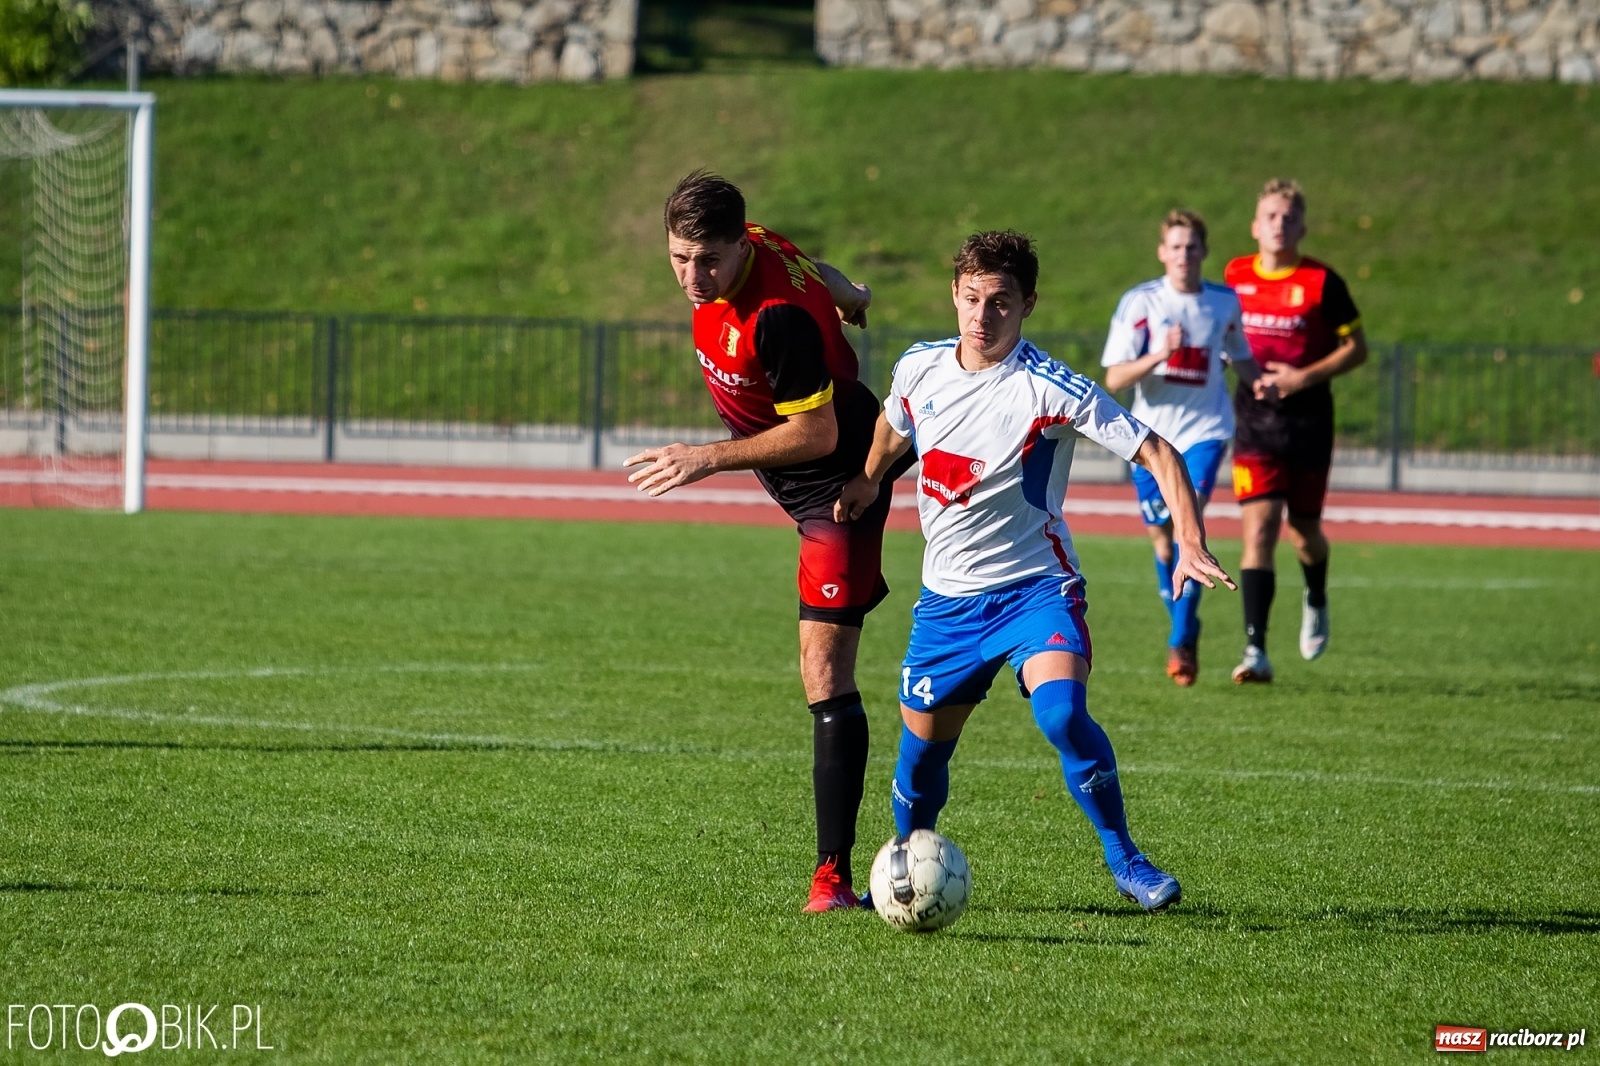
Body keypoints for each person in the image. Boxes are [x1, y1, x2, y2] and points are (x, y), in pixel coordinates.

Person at [836, 231, 1234, 912]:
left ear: (1027, 307)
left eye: (1000, 303)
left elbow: (1160, 453)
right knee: (922, 757)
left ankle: (1127, 860)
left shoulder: (1049, 388)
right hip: (949, 604)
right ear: (954, 296)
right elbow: (893, 426)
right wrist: (870, 480)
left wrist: (1190, 539)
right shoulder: (919, 368)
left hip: (1035, 592)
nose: (982, 317)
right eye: (971, 299)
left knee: (1061, 713)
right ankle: (907, 867)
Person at [627, 171, 913, 912]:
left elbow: (814, 434)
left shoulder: (774, 318)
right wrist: (850, 292)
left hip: (836, 481)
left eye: (707, 261)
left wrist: (706, 458)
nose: (693, 277)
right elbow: (808, 262)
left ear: (736, 242)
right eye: (678, 259)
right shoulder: (753, 243)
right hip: (798, 469)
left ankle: (833, 877)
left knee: (824, 671)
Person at [1102, 210, 1262, 686]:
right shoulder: (1141, 302)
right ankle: (1186, 620)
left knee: (1187, 524)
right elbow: (1115, 377)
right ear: (1162, 252)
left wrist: (1270, 386)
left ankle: (1180, 641)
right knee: (1162, 539)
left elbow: (1243, 358)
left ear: (1204, 252)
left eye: (1192, 247)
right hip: (1150, 438)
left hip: (1206, 431)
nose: (1184, 255)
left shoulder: (1223, 302)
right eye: (1175, 246)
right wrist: (1159, 354)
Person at [1225, 179, 1367, 683]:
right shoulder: (1234, 276)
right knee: (1259, 530)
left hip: (1308, 420)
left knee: (1303, 531)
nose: (1278, 225)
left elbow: (1357, 348)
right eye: (1270, 216)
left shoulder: (1323, 282)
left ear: (1302, 226)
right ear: (1254, 225)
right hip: (1255, 421)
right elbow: (1218, 331)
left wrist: (1301, 378)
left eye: (1288, 217)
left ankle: (1316, 594)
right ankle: (1255, 651)